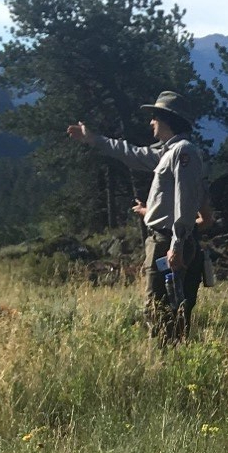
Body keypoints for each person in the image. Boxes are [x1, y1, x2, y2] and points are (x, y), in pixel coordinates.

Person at [67, 91, 210, 341]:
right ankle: (173, 358)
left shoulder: (182, 152)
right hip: (167, 241)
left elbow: (186, 202)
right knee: (169, 306)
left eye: (155, 116)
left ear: (167, 119)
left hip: (167, 244)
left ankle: (164, 361)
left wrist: (176, 246)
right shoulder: (170, 151)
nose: (150, 122)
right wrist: (93, 139)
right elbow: (130, 153)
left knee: (159, 306)